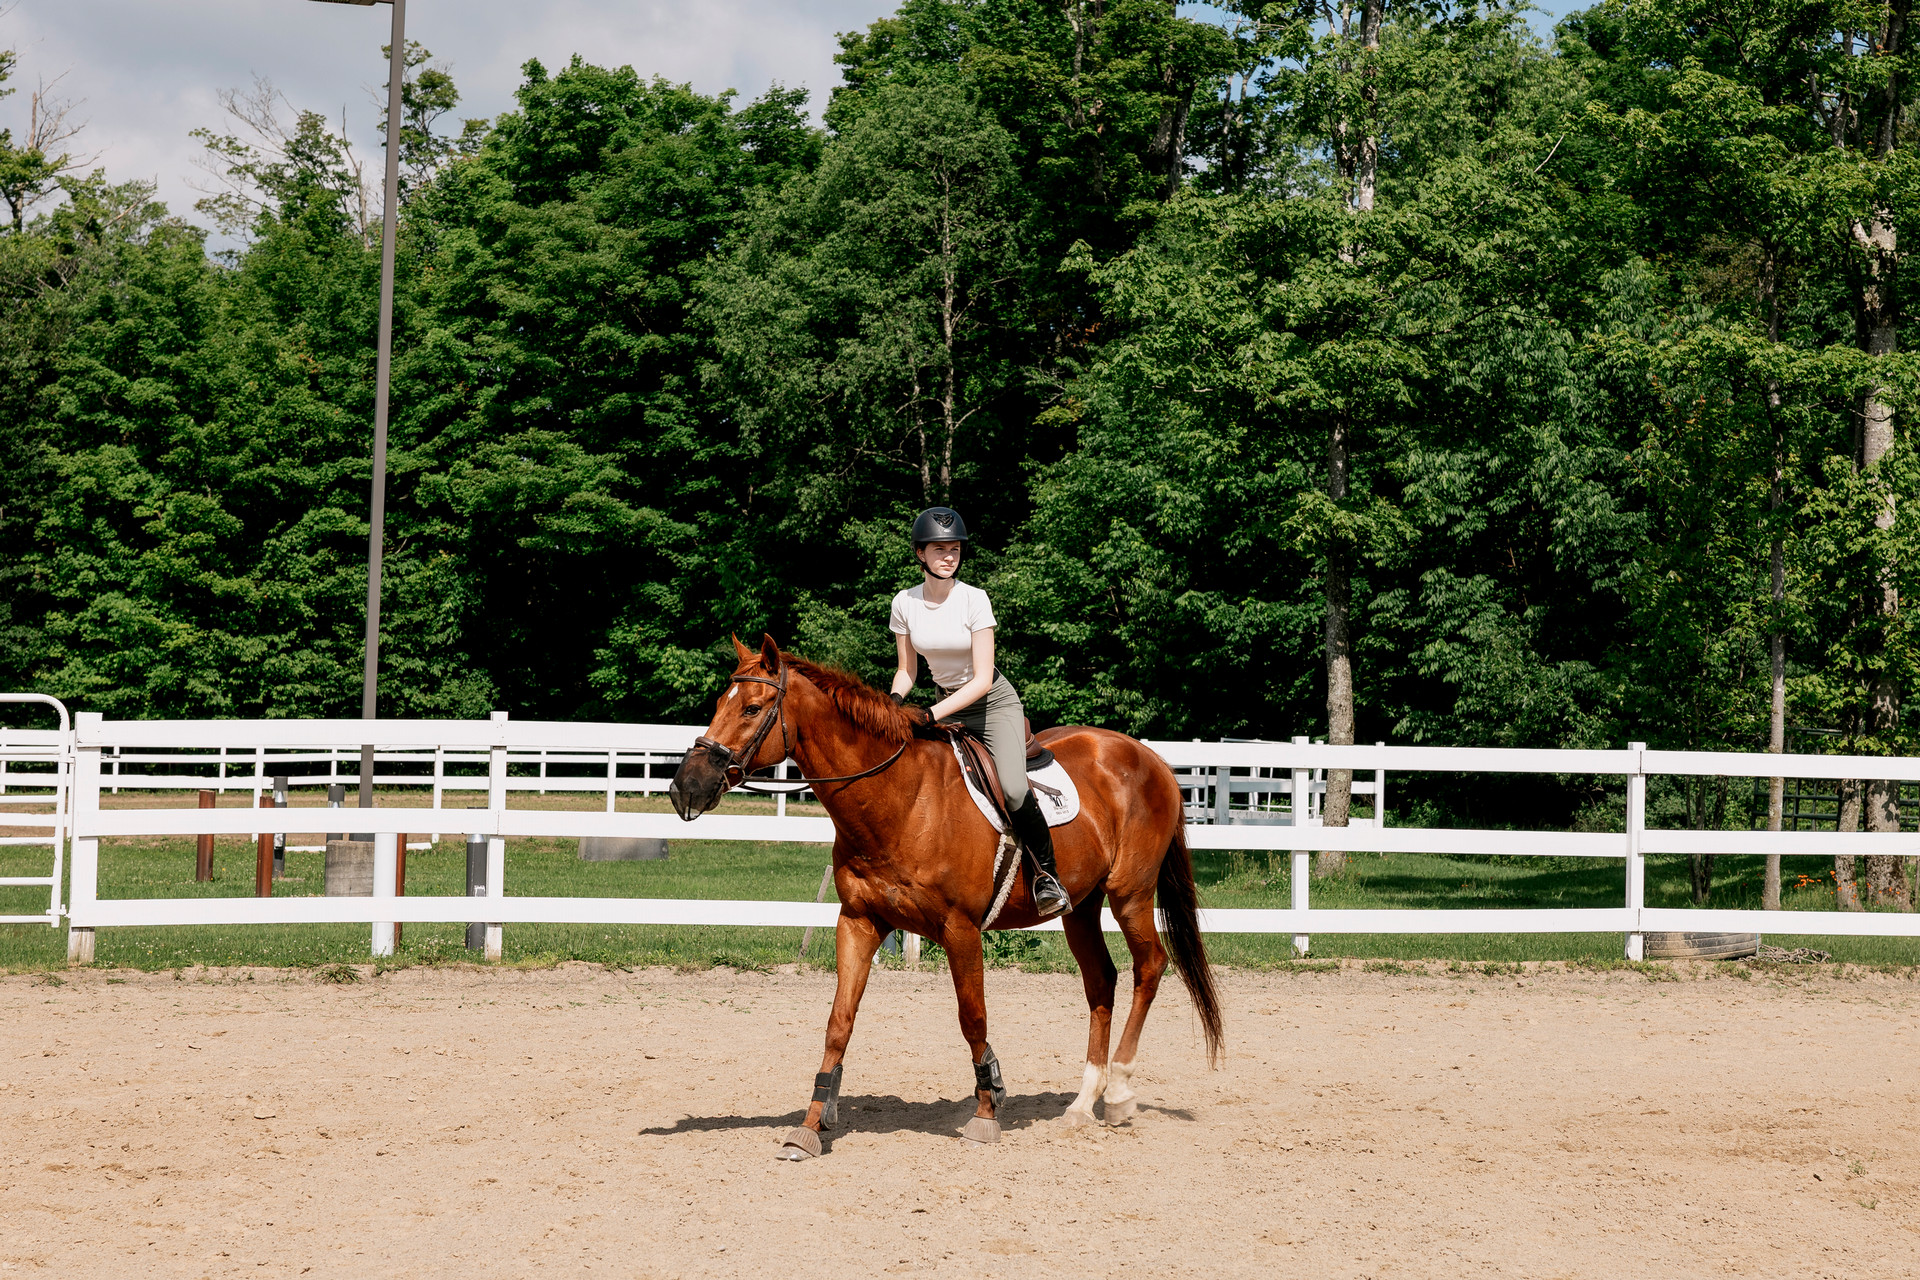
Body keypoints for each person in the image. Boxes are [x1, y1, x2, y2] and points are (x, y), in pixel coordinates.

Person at [889, 507, 1071, 918]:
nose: (949, 556)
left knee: (1012, 788)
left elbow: (983, 678)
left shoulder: (974, 599)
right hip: (942, 703)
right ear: (920, 553)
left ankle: (1047, 877)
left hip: (991, 704)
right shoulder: (905, 603)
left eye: (954, 549)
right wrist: (895, 704)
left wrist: (931, 715)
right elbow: (907, 670)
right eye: (939, 549)